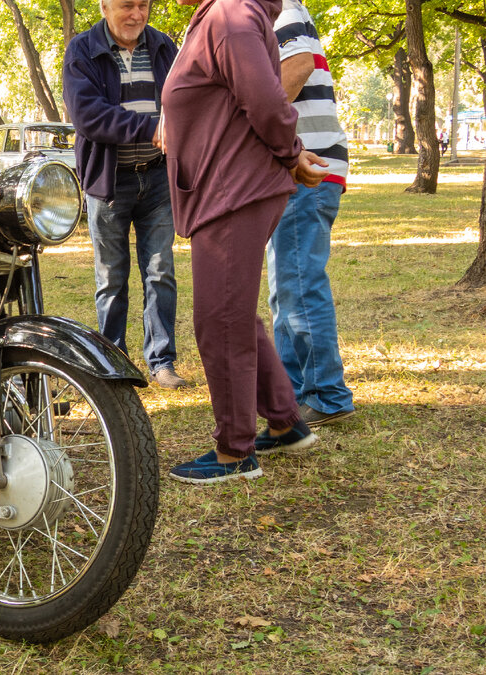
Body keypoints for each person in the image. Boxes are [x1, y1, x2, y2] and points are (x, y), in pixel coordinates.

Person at [160, 0, 327, 484]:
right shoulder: (225, 14)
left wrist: (292, 151)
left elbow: (266, 99)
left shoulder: (230, 14)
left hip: (235, 189)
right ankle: (286, 422)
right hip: (227, 187)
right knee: (234, 311)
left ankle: (235, 451)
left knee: (220, 320)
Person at [62, 0, 187, 390]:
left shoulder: (165, 46)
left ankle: (162, 363)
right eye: (126, 5)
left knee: (160, 270)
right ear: (104, 6)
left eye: (144, 5)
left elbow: (186, 101)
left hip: (158, 177)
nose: (137, 14)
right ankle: (113, 362)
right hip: (109, 182)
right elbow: (88, 116)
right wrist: (149, 128)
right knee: (111, 277)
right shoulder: (82, 50)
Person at [266, 0, 356, 429]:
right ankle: (295, 392)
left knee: (299, 285)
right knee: (286, 287)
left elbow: (298, 66)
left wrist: (257, 120)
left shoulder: (280, 9)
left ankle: (327, 395)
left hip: (309, 170)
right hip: (298, 170)